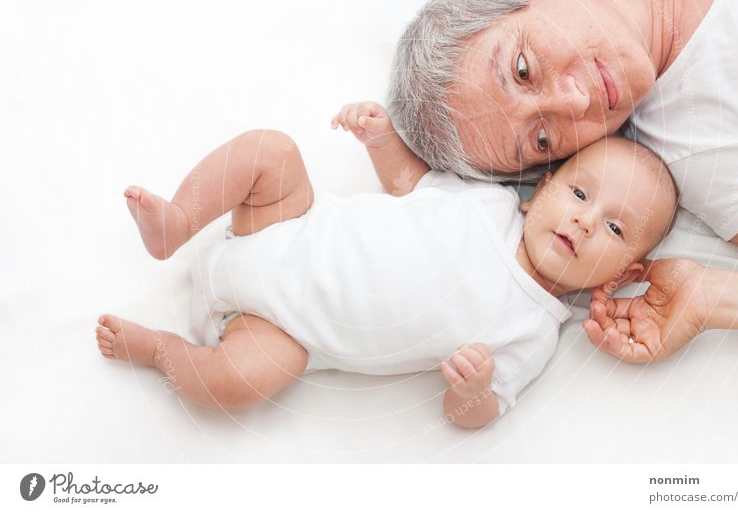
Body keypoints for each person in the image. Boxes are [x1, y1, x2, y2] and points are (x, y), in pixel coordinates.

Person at [94, 102, 676, 428]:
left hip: (281, 333)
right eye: (578, 194)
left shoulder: (533, 329)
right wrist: (381, 140)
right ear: (540, 190)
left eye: (615, 227)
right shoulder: (485, 201)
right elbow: (409, 184)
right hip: (284, 224)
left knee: (236, 385)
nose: (584, 221)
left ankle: (160, 351)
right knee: (271, 150)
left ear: (623, 273)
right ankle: (177, 221)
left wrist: (473, 392)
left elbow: (476, 415)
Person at [386, 0, 738, 360]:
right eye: (543, 138)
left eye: (524, 70)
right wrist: (715, 297)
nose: (576, 100)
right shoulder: (700, 149)